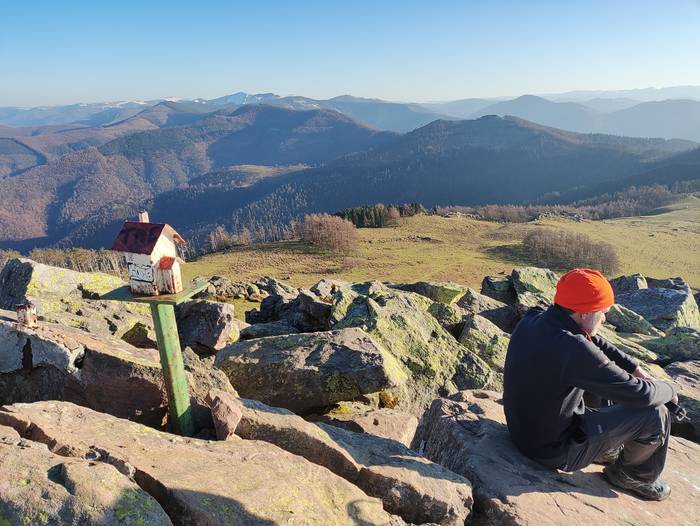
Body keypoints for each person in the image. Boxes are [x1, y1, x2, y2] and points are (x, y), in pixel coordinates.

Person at [503, 268, 678, 501]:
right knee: (656, 413)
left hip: (522, 431)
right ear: (584, 313)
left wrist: (633, 367)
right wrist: (669, 390)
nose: (605, 318)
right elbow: (641, 395)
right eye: (602, 312)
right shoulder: (573, 349)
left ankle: (605, 450)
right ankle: (633, 476)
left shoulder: (534, 318)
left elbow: (593, 341)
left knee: (599, 378)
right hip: (552, 451)